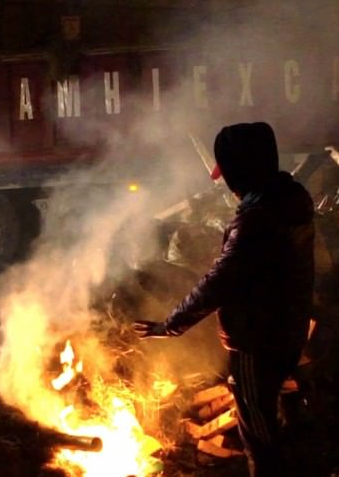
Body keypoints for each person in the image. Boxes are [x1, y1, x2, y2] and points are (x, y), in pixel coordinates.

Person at [134, 121, 315, 477]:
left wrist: (169, 327)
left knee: (259, 432)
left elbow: (218, 284)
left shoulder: (255, 222)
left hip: (256, 341)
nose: (228, 187)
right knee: (275, 421)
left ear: (239, 173)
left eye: (229, 175)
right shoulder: (292, 201)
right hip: (290, 327)